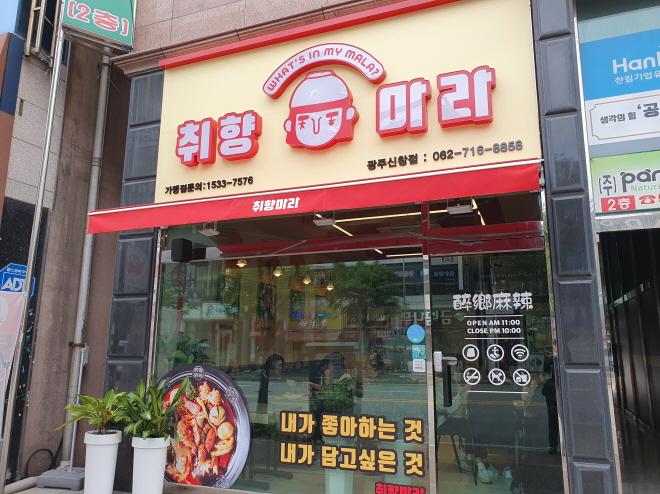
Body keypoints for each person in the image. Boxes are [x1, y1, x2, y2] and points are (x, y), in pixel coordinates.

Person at [541, 355, 559, 454]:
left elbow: (543, 392)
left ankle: (553, 446)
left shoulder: (549, 382)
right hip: (558, 406)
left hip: (551, 406)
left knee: (553, 426)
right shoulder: (562, 382)